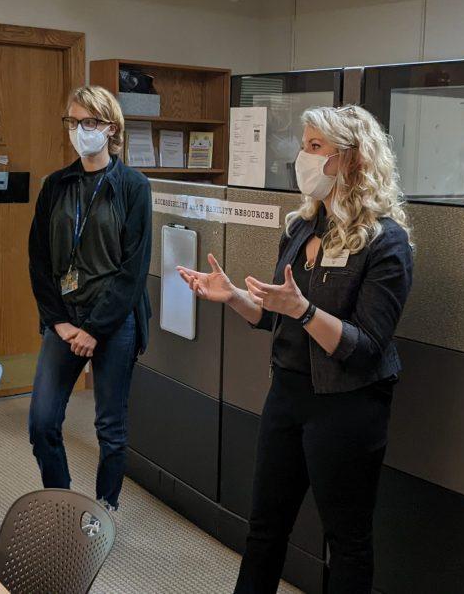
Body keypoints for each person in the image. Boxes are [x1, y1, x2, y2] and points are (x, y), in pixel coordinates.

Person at [178, 105, 414, 594]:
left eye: (313, 147)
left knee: (345, 541)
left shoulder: (386, 242)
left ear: (350, 159)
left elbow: (366, 347)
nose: (301, 158)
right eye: (303, 145)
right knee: (265, 527)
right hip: (288, 393)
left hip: (347, 404)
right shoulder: (301, 227)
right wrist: (236, 297)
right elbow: (274, 317)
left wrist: (304, 310)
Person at [27, 85, 152, 512]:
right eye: (73, 122)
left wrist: (95, 330)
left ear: (110, 128)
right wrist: (59, 322)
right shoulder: (56, 186)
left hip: (114, 323)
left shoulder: (134, 187)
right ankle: (62, 503)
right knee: (42, 421)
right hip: (65, 318)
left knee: (109, 429)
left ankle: (104, 509)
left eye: (90, 122)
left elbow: (133, 270)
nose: (80, 130)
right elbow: (39, 260)